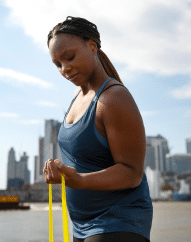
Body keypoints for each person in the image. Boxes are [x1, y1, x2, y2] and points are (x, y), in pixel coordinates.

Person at [44, 16, 153, 242]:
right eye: (57, 64)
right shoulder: (77, 97)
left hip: (118, 222)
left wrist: (79, 180)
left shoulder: (114, 98)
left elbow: (132, 173)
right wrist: (60, 170)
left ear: (92, 46)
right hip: (81, 225)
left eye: (70, 57)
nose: (65, 68)